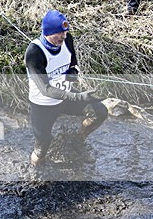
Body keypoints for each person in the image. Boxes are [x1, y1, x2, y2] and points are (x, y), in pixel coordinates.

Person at [25, 10, 108, 166]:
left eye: (65, 33)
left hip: (65, 97)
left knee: (100, 112)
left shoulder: (66, 39)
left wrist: (73, 72)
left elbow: (73, 62)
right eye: (59, 34)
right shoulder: (34, 53)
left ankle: (77, 141)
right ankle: (36, 176)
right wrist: (79, 97)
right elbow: (46, 89)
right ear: (48, 32)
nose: (63, 37)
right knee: (42, 147)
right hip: (43, 105)